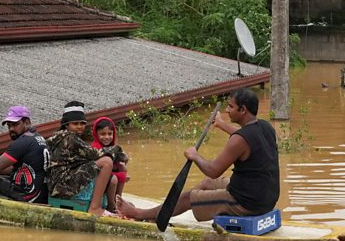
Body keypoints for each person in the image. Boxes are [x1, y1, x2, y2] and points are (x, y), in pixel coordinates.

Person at [117, 88, 279, 223]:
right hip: (266, 199)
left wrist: (195, 155)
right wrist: (222, 125)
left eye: (231, 106)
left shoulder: (239, 140)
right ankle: (165, 211)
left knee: (189, 197)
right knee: (208, 183)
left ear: (243, 110)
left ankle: (138, 214)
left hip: (246, 203)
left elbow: (213, 170)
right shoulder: (265, 127)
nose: (227, 110)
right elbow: (245, 136)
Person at [46, 101, 123, 215]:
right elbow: (96, 154)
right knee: (106, 162)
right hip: (62, 185)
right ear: (67, 125)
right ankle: (95, 207)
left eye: (82, 123)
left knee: (102, 165)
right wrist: (119, 151)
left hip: (56, 185)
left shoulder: (58, 136)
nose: (79, 127)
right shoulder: (70, 138)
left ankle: (109, 205)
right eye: (75, 124)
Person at [91, 117, 129, 204]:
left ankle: (119, 199)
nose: (107, 137)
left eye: (110, 134)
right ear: (96, 134)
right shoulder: (95, 148)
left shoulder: (113, 147)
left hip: (111, 172)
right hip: (99, 175)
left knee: (123, 171)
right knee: (114, 179)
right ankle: (111, 204)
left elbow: (122, 159)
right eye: (103, 134)